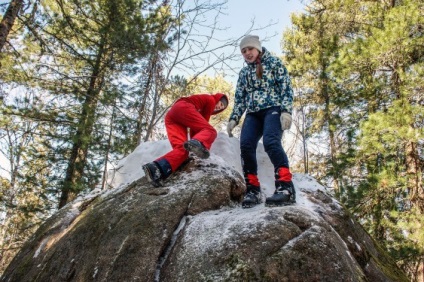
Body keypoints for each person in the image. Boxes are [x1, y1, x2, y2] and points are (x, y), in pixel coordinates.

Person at [227, 35, 296, 208]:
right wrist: (234, 118)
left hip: (273, 109)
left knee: (271, 142)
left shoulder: (274, 63)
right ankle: (253, 190)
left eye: (249, 49)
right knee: (246, 145)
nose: (247, 53)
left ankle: (285, 187)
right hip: (253, 114)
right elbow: (240, 98)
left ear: (257, 48)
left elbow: (286, 88)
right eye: (243, 51)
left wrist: (286, 111)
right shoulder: (244, 73)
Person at [143, 93, 229, 187]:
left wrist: (194, 143)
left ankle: (156, 169)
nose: (219, 107)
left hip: (172, 116)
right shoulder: (211, 100)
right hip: (183, 107)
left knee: (182, 150)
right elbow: (201, 126)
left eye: (222, 107)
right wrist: (201, 145)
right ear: (217, 99)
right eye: (220, 103)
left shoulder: (206, 104)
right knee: (210, 131)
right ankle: (198, 143)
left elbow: (195, 129)